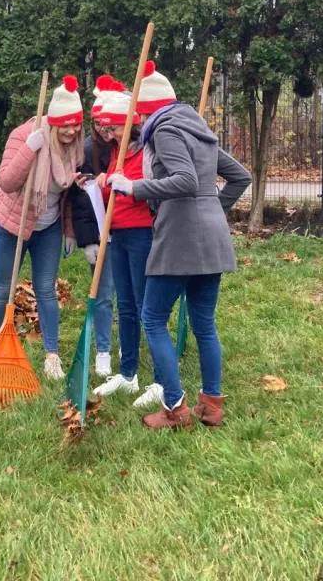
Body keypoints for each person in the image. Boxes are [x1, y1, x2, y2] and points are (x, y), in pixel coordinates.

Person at [108, 62, 251, 429]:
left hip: (179, 240)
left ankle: (175, 407)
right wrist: (211, 209)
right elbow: (240, 177)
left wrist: (134, 187)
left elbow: (185, 180)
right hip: (211, 239)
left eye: (140, 114)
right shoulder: (199, 130)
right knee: (204, 324)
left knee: (153, 317)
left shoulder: (166, 130)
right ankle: (212, 405)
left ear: (148, 108)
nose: (139, 121)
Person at [0, 75, 86, 380]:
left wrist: (69, 230)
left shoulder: (74, 147)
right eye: (65, 125)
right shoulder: (24, 135)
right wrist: (29, 149)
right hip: (13, 224)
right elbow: (7, 182)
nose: (71, 131)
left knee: (46, 288)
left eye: (76, 124)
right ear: (53, 122)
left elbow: (66, 196)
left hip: (48, 226)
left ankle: (52, 355)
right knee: (2, 287)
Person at [91, 90, 155, 398]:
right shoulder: (117, 151)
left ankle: (161, 379)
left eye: (114, 128)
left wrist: (129, 186)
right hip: (116, 234)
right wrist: (103, 184)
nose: (109, 134)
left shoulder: (146, 153)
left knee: (145, 306)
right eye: (107, 128)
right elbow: (113, 195)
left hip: (142, 234)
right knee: (125, 305)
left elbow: (151, 191)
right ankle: (128, 374)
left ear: (130, 125)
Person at [75, 74, 122, 377]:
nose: (106, 131)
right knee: (103, 294)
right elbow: (81, 201)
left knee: (128, 295)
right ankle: (103, 349)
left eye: (110, 125)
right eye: (99, 125)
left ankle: (127, 343)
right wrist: (88, 239)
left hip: (129, 230)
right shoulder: (87, 151)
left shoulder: (129, 147)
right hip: (99, 233)